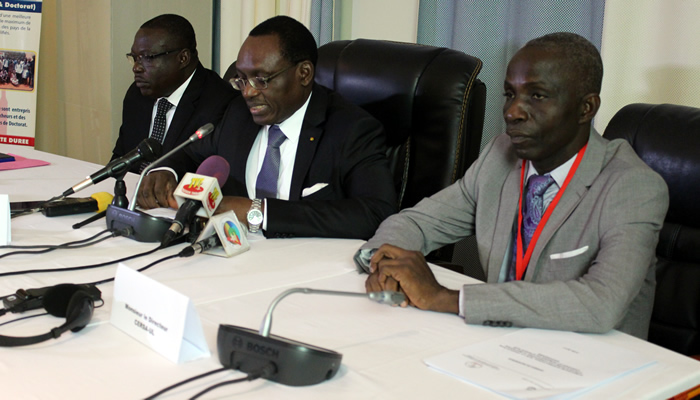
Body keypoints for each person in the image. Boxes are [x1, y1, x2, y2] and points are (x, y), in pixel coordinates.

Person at [359, 32, 669, 340]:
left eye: (537, 96)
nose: (512, 112)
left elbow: (601, 303)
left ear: (586, 108)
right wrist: (386, 265)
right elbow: (418, 222)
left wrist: (447, 298)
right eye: (510, 94)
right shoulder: (499, 156)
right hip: (500, 345)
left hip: (588, 363)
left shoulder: (632, 186)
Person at [136, 15, 397, 240]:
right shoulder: (238, 113)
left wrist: (258, 212)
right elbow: (194, 154)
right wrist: (167, 170)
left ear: (304, 74)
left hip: (305, 265)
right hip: (233, 254)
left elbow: (376, 212)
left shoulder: (351, 129)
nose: (248, 92)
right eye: (241, 78)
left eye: (261, 79)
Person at [111, 14, 236, 172]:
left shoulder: (221, 104)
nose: (136, 67)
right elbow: (121, 159)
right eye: (135, 58)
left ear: (183, 58)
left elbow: (208, 175)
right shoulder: (136, 95)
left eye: (147, 58)